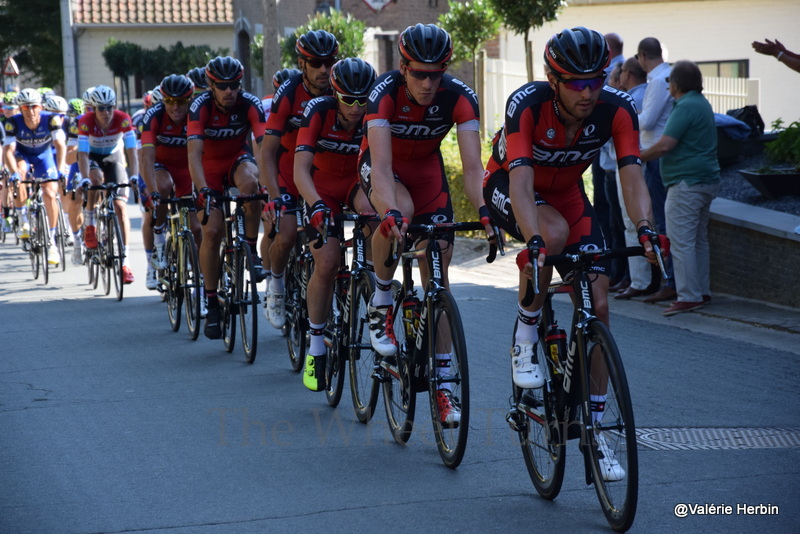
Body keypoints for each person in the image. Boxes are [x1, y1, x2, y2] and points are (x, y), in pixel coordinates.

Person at [482, 27, 664, 480]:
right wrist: (535, 239)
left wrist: (645, 229)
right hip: (510, 188)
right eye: (576, 83)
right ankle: (526, 336)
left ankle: (595, 428)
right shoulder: (526, 104)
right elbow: (522, 184)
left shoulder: (617, 109)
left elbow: (632, 177)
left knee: (599, 304)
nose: (588, 92)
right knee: (554, 234)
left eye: (596, 81)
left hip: (567, 195)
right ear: (553, 79)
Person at [359, 23, 494, 424]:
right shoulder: (382, 94)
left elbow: (473, 170)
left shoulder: (460, 97)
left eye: (436, 73)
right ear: (403, 67)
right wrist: (390, 212)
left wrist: (487, 209)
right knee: (397, 215)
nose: (428, 82)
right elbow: (381, 169)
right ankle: (381, 299)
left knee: (439, 272)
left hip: (428, 174)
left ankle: (444, 386)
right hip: (385, 172)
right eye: (419, 73)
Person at [293, 58, 377, 391]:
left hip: (355, 185)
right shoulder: (317, 110)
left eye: (363, 100)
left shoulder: (374, 114)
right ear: (335, 93)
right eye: (348, 99)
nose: (356, 107)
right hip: (321, 190)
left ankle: (370, 283)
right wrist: (314, 205)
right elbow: (300, 170)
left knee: (373, 213)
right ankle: (315, 347)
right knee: (327, 262)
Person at [262, 30, 339, 330]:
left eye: (329, 62)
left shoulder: (340, 87)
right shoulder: (289, 91)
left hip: (320, 175)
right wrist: (273, 195)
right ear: (302, 64)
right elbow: (267, 151)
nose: (324, 70)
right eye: (315, 63)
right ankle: (277, 286)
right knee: (288, 234)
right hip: (287, 173)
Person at [187, 56, 269, 340]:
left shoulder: (250, 104)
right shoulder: (200, 106)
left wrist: (268, 187)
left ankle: (250, 249)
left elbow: (262, 147)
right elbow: (194, 154)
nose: (229, 91)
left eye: (234, 85)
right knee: (211, 232)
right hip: (207, 169)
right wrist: (202, 189)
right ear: (211, 85)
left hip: (237, 160)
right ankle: (211, 301)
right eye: (222, 86)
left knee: (252, 182)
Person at [640, 60, 719, 316]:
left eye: (669, 82)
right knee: (698, 240)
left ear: (676, 84)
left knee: (681, 241)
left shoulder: (685, 106)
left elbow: (665, 145)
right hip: (705, 180)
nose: (668, 87)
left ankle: (688, 295)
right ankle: (701, 291)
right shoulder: (702, 103)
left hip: (685, 182)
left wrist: (637, 156)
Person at [140, 74, 203, 299]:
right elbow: (146, 158)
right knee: (163, 187)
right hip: (161, 164)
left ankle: (200, 276)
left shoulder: (197, 114)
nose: (175, 107)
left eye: (181, 102)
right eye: (169, 102)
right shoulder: (153, 116)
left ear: (190, 100)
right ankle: (158, 240)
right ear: (163, 101)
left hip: (187, 168)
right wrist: (152, 192)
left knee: (196, 227)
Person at [77, 85, 139, 283]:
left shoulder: (123, 118)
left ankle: (125, 261)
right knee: (95, 180)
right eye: (101, 108)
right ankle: (90, 222)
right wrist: (84, 177)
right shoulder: (85, 121)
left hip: (114, 157)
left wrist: (135, 176)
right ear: (93, 109)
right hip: (93, 157)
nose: (106, 112)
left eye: (109, 107)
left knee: (120, 206)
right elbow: (83, 154)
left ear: (115, 106)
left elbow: (131, 151)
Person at [3, 88, 67, 265]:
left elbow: (60, 145)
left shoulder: (51, 119)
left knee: (50, 193)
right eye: (25, 108)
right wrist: (13, 172)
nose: (30, 111)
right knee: (20, 172)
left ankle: (52, 241)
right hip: (22, 155)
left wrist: (60, 170)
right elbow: (8, 151)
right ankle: (23, 218)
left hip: (43, 157)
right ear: (20, 109)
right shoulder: (12, 122)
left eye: (34, 107)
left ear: (41, 107)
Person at [636, 37, 675, 303]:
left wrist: (625, 116)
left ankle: (668, 280)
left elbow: (647, 120)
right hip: (661, 155)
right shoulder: (667, 75)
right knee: (660, 220)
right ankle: (667, 279)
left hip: (656, 157)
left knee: (660, 222)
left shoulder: (659, 79)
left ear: (642, 57)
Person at [614, 57, 655, 300]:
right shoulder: (642, 95)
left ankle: (640, 281)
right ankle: (640, 278)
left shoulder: (629, 100)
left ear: (627, 75)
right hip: (633, 165)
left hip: (628, 166)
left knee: (633, 224)